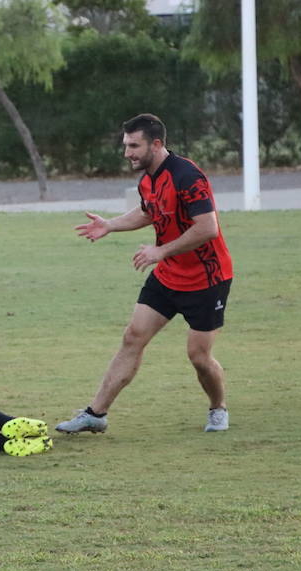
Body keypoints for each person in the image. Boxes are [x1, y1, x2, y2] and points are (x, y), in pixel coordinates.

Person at [55, 113, 234, 435]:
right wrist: (110, 224)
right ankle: (96, 414)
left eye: (134, 146)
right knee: (132, 338)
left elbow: (208, 228)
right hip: (168, 275)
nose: (127, 153)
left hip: (206, 279)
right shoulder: (148, 179)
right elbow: (149, 211)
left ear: (157, 144)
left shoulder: (187, 176)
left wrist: (160, 251)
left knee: (198, 356)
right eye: (125, 145)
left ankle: (217, 407)